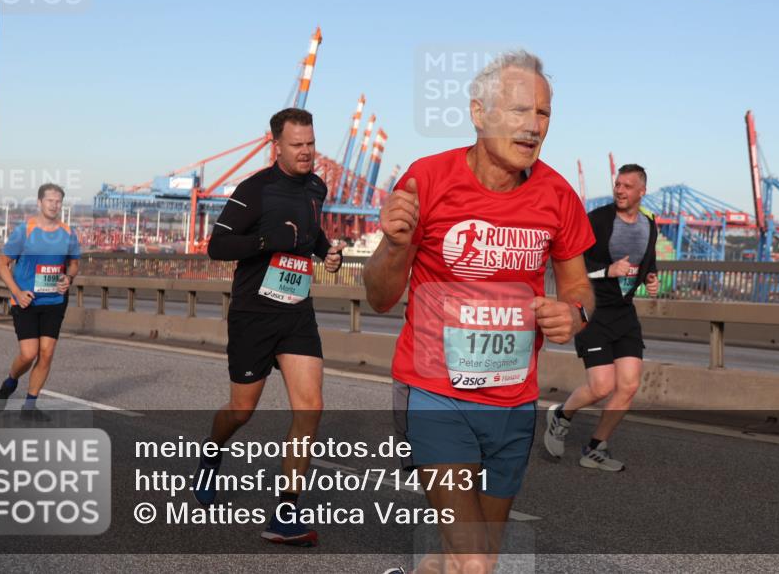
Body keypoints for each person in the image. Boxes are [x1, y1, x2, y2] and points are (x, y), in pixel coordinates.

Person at [365, 51, 594, 574]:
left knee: (470, 555)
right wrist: (394, 244)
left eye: (543, 114)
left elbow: (578, 284)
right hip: (435, 395)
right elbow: (379, 296)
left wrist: (574, 312)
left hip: (514, 402)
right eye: (519, 111)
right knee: (475, 561)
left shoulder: (558, 194)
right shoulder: (428, 179)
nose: (534, 127)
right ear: (479, 112)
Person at [192, 108, 342, 547]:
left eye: (311, 143)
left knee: (310, 406)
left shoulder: (317, 187)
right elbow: (217, 246)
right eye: (297, 145)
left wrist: (328, 253)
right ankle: (211, 452)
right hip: (253, 315)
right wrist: (263, 241)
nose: (306, 152)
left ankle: (286, 512)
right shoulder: (254, 190)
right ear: (276, 145)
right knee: (242, 411)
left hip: (296, 311)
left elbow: (311, 236)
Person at [544, 164, 659, 471]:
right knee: (601, 387)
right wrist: (607, 271)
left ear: (642, 191)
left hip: (624, 314)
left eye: (627, 186)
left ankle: (596, 447)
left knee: (629, 385)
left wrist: (651, 277)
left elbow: (647, 260)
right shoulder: (597, 220)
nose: (619, 190)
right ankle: (560, 415)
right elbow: (572, 265)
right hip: (592, 311)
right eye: (617, 185)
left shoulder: (649, 222)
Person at [0, 183, 80, 415]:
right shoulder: (25, 230)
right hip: (26, 301)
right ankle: (10, 382)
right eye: (50, 200)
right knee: (29, 354)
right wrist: (17, 293)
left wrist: (68, 277)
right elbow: (2, 264)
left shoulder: (68, 233)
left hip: (55, 300)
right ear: (40, 203)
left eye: (58, 201)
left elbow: (74, 263)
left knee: (47, 353)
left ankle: (29, 406)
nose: (54, 205)